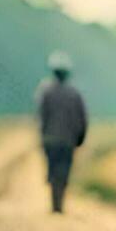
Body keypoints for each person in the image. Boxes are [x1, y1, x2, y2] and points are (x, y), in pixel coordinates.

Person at [35, 50, 87, 213]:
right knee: (64, 171)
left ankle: (54, 201)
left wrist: (42, 136)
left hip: (50, 140)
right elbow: (82, 119)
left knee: (53, 169)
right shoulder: (74, 94)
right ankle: (59, 203)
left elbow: (42, 117)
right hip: (68, 141)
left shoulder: (45, 92)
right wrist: (80, 138)